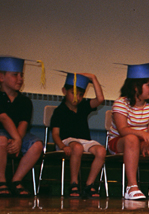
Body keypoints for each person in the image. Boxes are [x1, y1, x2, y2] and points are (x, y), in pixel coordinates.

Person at [109, 63, 149, 200]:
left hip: (143, 142)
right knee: (131, 139)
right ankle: (131, 186)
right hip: (120, 142)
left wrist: (148, 140)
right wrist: (143, 135)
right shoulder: (120, 103)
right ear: (136, 87)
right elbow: (123, 130)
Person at [50, 72, 106, 198]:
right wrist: (62, 146)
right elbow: (55, 133)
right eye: (73, 93)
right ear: (64, 91)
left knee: (101, 151)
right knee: (77, 147)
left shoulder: (83, 107)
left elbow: (100, 99)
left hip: (84, 141)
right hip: (66, 141)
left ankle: (89, 184)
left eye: (81, 94)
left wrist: (94, 78)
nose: (77, 97)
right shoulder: (60, 111)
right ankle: (73, 183)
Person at [0, 57, 43, 197]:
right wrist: (16, 139)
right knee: (1, 140)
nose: (19, 79)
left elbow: (23, 122)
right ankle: (1, 181)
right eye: (15, 75)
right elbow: (4, 118)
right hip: (3, 134)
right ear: (1, 77)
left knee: (36, 145)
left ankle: (16, 180)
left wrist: (18, 140)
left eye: (21, 75)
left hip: (18, 134)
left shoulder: (25, 101)